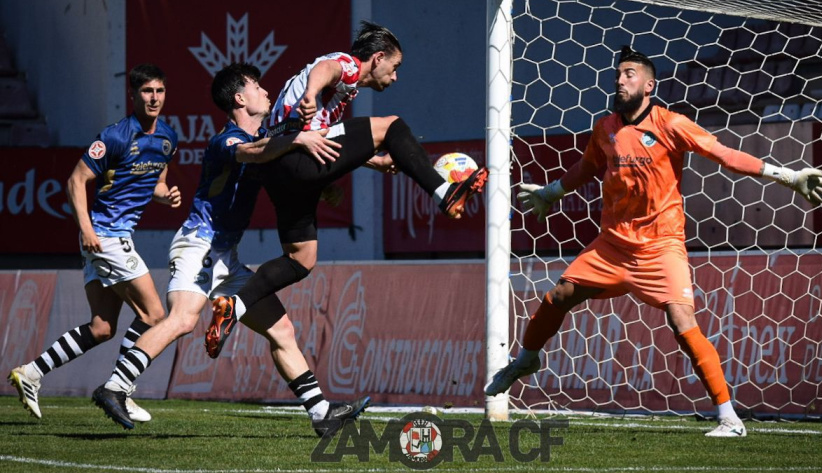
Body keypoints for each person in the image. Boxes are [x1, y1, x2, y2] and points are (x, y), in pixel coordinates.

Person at [484, 46, 822, 438]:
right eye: (618, 74)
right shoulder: (605, 129)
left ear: (649, 85)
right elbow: (587, 167)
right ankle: (525, 361)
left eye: (630, 74)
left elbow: (723, 155)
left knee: (681, 321)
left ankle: (729, 418)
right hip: (613, 245)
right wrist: (551, 192)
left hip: (661, 245)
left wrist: (787, 176)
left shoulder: (671, 124)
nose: (620, 80)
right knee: (558, 296)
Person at [92, 63, 370, 437]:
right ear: (240, 98)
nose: (266, 91)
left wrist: (372, 160)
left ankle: (321, 413)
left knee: (282, 329)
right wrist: (298, 141)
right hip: (199, 244)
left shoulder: (268, 138)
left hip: (227, 256)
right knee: (183, 320)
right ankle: (114, 386)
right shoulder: (227, 140)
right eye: (257, 86)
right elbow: (254, 153)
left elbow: (289, 154)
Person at [204, 21, 488, 356]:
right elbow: (327, 68)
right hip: (297, 155)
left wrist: (372, 163)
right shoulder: (348, 66)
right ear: (378, 58)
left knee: (300, 259)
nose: (394, 77)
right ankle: (446, 193)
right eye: (394, 67)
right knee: (392, 126)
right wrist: (311, 93)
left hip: (280, 171)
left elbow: (330, 138)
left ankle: (233, 308)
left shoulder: (342, 94)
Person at [7, 64, 180, 423]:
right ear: (132, 95)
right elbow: (75, 180)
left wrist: (166, 196)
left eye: (159, 91)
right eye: (147, 91)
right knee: (156, 315)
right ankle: (121, 387)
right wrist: (86, 228)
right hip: (106, 236)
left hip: (108, 239)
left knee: (102, 328)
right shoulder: (115, 136)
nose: (154, 98)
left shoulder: (167, 138)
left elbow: (156, 183)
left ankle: (31, 373)